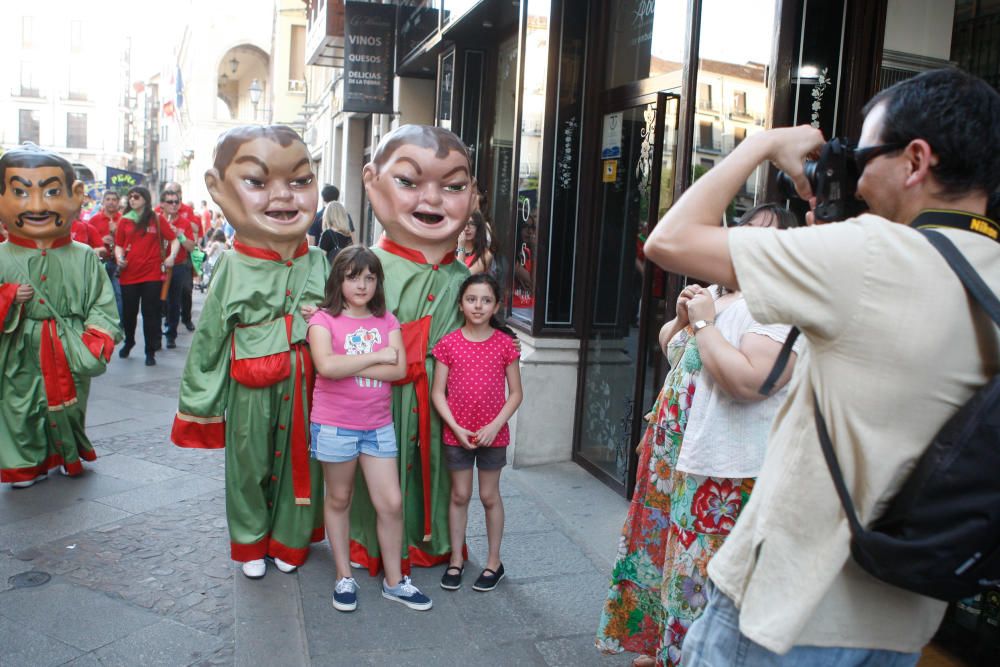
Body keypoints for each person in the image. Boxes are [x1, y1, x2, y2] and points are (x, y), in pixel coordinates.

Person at [644, 68, 1000, 665]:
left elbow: (670, 240)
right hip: (902, 619)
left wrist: (763, 143)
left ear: (915, 161)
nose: (853, 176)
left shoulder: (871, 255)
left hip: (783, 610)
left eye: (862, 157)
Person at [595, 204, 800, 667]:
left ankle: (686, 655)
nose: (744, 244)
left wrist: (705, 323)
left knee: (698, 574)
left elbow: (748, 381)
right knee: (665, 557)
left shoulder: (776, 303)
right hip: (677, 453)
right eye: (742, 233)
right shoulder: (720, 294)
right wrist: (687, 319)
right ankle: (659, 646)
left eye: (763, 236)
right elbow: (673, 350)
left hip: (724, 469)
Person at [171, 125, 327, 580]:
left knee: (304, 463)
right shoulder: (233, 265)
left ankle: (291, 539)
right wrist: (201, 402)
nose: (284, 196)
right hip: (251, 384)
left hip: (308, 384)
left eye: (300, 181)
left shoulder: (319, 261)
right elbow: (211, 337)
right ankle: (250, 542)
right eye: (257, 182)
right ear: (219, 191)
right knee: (248, 464)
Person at [349, 124, 479, 576]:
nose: (432, 199)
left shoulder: (467, 281)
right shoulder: (365, 270)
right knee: (378, 474)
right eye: (408, 181)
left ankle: (435, 541)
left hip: (442, 400)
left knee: (441, 471)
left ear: (473, 195)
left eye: (454, 186)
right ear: (372, 182)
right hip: (377, 396)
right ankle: (373, 546)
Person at [308, 246, 434, 612]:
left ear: (378, 282)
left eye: (369, 277)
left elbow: (398, 372)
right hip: (334, 426)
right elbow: (326, 368)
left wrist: (346, 364)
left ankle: (395, 582)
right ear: (339, 280)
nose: (362, 284)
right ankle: (344, 576)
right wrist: (377, 356)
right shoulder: (322, 320)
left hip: (378, 426)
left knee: (391, 504)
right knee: (339, 499)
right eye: (353, 277)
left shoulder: (387, 321)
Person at [0, 143, 122, 487]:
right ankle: (26, 463)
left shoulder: (83, 255)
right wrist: (8, 296)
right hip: (18, 345)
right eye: (20, 193)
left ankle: (59, 454)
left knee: (69, 405)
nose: (37, 206)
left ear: (76, 194)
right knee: (19, 406)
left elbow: (102, 302)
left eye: (52, 192)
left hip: (68, 342)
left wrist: (96, 339)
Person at [432, 273, 522, 592]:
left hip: (492, 435)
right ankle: (456, 558)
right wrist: (454, 427)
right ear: (461, 304)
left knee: (488, 496)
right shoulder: (448, 344)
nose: (478, 306)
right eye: (472, 299)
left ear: (496, 305)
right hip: (457, 434)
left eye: (486, 300)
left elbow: (515, 394)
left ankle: (493, 562)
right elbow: (437, 393)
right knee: (459, 495)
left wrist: (495, 424)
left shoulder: (505, 345)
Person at [115, 186, 178, 367]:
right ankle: (129, 342)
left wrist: (171, 256)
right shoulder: (124, 221)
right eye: (130, 197)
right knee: (129, 313)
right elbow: (119, 245)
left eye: (136, 197)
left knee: (151, 313)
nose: (132, 200)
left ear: (145, 199)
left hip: (152, 274)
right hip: (129, 274)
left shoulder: (156, 219)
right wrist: (119, 258)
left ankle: (150, 351)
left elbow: (174, 239)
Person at [160, 189, 198, 344]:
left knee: (175, 301)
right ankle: (156, 334)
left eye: (177, 202)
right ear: (162, 204)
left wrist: (178, 235)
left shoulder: (184, 223)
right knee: (159, 301)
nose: (174, 205)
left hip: (178, 266)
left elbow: (191, 247)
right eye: (170, 202)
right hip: (158, 266)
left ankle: (171, 335)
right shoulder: (156, 219)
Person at [87, 191, 124, 320]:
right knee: (99, 294)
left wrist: (116, 233)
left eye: (114, 199)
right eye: (108, 199)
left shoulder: (124, 219)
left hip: (117, 262)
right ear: (103, 202)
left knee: (119, 294)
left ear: (118, 202)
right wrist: (100, 241)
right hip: (100, 262)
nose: (111, 202)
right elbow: (86, 242)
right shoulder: (94, 219)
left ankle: (118, 324)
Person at [455, 210, 495, 275]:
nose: (466, 228)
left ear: (478, 228)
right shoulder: (449, 249)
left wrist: (461, 247)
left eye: (471, 224)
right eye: (464, 224)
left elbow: (461, 277)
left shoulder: (486, 254)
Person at [317, 200, 353, 265]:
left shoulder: (327, 234)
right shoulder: (348, 235)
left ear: (327, 216)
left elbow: (320, 260)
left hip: (331, 273)